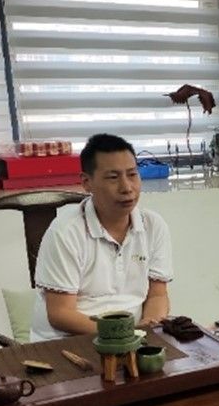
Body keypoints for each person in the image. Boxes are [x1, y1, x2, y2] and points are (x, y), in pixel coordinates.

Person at [30, 133, 172, 342]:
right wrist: (123, 335)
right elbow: (61, 314)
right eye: (113, 177)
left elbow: (158, 294)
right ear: (86, 182)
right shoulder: (65, 231)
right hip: (69, 341)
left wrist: (149, 325)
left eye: (132, 174)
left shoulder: (153, 225)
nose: (127, 187)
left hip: (132, 339)